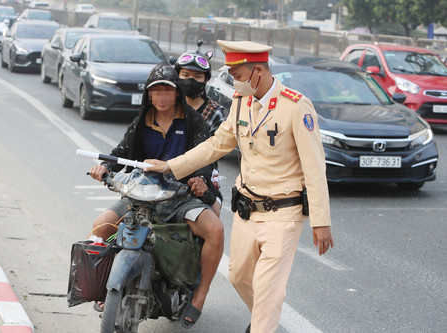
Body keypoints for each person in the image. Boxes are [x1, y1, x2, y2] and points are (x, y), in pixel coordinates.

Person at [145, 40, 334, 333]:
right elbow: (216, 145)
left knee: (269, 288)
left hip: (284, 213)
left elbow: (314, 167)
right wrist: (171, 165)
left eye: (238, 74)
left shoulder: (296, 107)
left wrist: (321, 222)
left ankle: (261, 326)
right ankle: (263, 319)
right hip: (247, 209)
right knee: (239, 277)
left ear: (258, 71)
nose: (234, 81)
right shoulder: (241, 102)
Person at [88, 62, 224, 329]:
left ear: (176, 94)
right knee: (100, 226)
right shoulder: (142, 122)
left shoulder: (193, 121)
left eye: (167, 91)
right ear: (149, 95)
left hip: (180, 198)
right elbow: (121, 152)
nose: (161, 97)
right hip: (140, 194)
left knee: (215, 230)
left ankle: (199, 295)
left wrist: (201, 179)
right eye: (156, 91)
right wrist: (104, 167)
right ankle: (103, 287)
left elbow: (205, 157)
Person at [174, 41, 227, 217]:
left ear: (205, 80)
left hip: (202, 171)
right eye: (185, 74)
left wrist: (202, 177)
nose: (190, 80)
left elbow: (215, 149)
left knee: (214, 213)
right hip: (166, 169)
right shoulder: (166, 106)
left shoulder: (214, 111)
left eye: (197, 76)